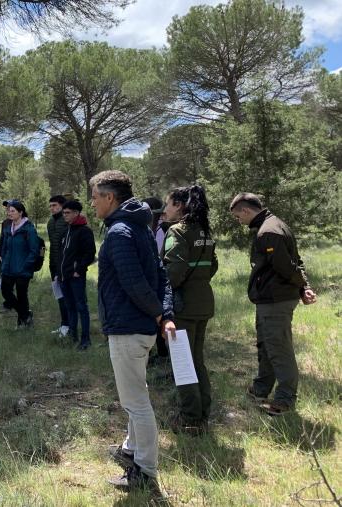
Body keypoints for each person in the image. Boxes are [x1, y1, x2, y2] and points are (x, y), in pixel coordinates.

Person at [89, 170, 174, 492]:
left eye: (95, 197)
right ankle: (130, 450)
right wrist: (163, 314)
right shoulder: (140, 228)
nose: (92, 203)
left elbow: (135, 282)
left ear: (110, 198)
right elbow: (161, 274)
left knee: (136, 403)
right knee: (135, 397)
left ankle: (145, 472)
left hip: (129, 328)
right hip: (138, 326)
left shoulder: (120, 233)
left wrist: (158, 313)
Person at [230, 193, 317, 416]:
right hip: (269, 299)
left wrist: (303, 287)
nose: (239, 221)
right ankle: (261, 388)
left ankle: (285, 399)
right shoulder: (274, 224)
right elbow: (295, 261)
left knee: (278, 348)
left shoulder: (268, 231)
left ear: (246, 211)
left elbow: (288, 267)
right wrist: (304, 286)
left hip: (276, 300)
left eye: (238, 216)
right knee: (266, 345)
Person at [161, 185, 218, 434]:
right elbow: (212, 265)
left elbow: (174, 269)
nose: (165, 209)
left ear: (180, 206)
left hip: (183, 306)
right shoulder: (204, 231)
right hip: (203, 301)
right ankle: (203, 411)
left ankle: (190, 419)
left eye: (168, 204)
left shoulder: (177, 231)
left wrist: (165, 296)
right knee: (197, 360)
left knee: (183, 363)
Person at [59, 200, 96, 350]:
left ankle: (85, 340)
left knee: (81, 307)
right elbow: (61, 254)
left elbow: (90, 253)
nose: (64, 216)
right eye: (63, 213)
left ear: (76, 213)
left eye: (67, 213)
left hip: (76, 276)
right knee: (70, 307)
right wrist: (58, 272)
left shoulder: (84, 231)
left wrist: (78, 270)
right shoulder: (66, 230)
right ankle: (72, 336)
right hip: (64, 276)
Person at [0, 201, 39, 328]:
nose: (9, 213)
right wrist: (4, 261)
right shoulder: (7, 228)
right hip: (8, 268)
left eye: (13, 211)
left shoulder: (29, 229)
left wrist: (25, 266)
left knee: (22, 295)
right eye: (8, 211)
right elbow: (4, 247)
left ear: (20, 212)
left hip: (23, 269)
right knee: (5, 292)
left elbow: (34, 251)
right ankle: (26, 315)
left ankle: (22, 322)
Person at [142, 196, 171, 363]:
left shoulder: (161, 230)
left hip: (159, 279)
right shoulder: (150, 228)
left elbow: (158, 256)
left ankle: (162, 353)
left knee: (160, 315)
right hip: (151, 279)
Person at [47, 195, 70, 336]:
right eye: (50, 206)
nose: (52, 208)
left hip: (66, 265)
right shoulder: (50, 222)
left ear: (62, 206)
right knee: (60, 297)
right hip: (53, 264)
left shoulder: (67, 221)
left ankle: (70, 327)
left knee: (68, 298)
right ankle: (64, 325)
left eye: (54, 205)